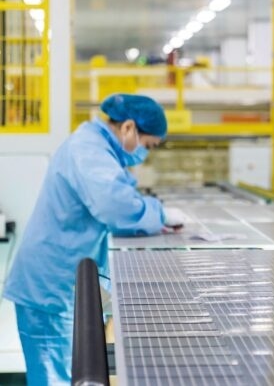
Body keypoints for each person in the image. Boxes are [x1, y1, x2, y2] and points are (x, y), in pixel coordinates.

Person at [3, 94, 187, 385]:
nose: (144, 152)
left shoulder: (100, 149)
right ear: (128, 128)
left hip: (66, 282)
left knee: (71, 370)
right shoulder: (88, 149)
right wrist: (159, 214)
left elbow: (118, 202)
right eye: (148, 145)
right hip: (50, 287)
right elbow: (115, 205)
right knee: (56, 378)